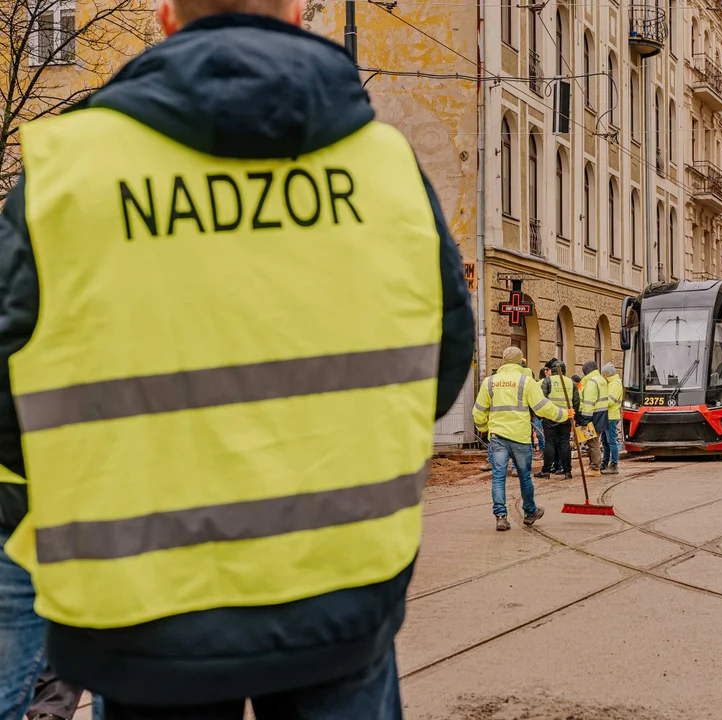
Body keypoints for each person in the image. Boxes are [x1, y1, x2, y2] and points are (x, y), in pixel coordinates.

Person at [0, 0, 475, 716]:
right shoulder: (385, 168)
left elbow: (9, 400)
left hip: (145, 611)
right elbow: (443, 367)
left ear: (165, 16)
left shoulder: (71, 168)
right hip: (341, 591)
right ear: (297, 11)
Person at [474, 347, 568, 531]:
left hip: (498, 437)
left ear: (503, 360)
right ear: (519, 362)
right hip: (520, 438)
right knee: (525, 477)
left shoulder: (489, 382)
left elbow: (478, 412)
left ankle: (500, 516)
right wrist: (564, 414)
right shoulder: (526, 381)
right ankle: (530, 511)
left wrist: (484, 428)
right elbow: (542, 408)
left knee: (498, 477)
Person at [538, 361, 579, 480]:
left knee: (549, 443)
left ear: (552, 370)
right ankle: (567, 471)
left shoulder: (548, 381)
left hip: (551, 416)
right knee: (564, 443)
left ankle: (546, 471)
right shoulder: (571, 382)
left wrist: (541, 415)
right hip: (566, 417)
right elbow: (576, 401)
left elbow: (542, 399)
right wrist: (573, 415)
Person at [580, 361, 610, 472]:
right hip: (602, 415)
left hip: (593, 416)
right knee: (595, 440)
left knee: (592, 442)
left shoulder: (591, 382)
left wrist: (585, 419)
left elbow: (589, 402)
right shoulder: (602, 380)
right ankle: (596, 464)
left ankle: (595, 465)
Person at [601, 363, 623, 475]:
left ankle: (614, 464)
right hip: (607, 416)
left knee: (611, 442)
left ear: (607, 375)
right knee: (605, 442)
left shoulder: (615, 384)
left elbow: (610, 401)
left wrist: (599, 401)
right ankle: (605, 462)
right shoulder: (612, 383)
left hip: (611, 416)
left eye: (603, 375)